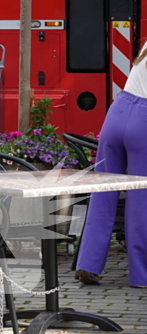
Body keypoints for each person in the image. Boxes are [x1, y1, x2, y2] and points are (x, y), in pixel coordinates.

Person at [74, 44, 147, 288]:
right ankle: (142, 275)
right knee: (142, 198)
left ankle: (88, 262)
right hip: (143, 124)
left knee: (103, 191)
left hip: (118, 112)